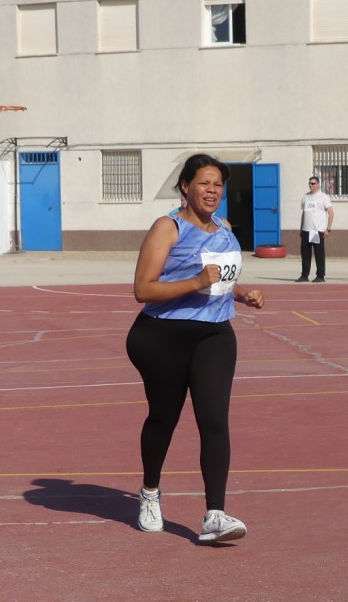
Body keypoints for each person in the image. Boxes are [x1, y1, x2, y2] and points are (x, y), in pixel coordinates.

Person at [126, 153, 265, 542]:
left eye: (218, 185)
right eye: (204, 183)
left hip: (215, 335)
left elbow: (218, 280)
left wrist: (241, 293)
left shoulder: (225, 227)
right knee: (163, 418)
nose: (212, 190)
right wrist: (196, 282)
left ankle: (215, 515)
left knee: (214, 420)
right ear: (185, 187)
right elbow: (143, 290)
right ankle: (150, 492)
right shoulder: (167, 228)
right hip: (163, 337)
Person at [297, 175, 333, 283]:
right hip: (306, 230)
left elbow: (331, 213)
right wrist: (301, 228)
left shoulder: (323, 197)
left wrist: (328, 229)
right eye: (309, 183)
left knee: (318, 254)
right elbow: (304, 213)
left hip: (316, 231)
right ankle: (304, 275)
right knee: (305, 254)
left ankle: (320, 276)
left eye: (312, 183)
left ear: (318, 185)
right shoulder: (306, 197)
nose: (310, 185)